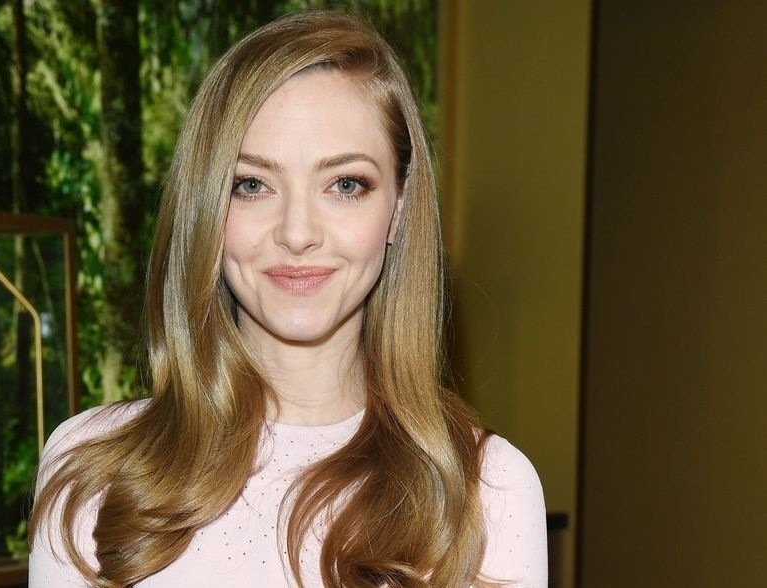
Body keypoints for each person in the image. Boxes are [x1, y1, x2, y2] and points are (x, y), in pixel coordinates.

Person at [29, 9, 546, 588]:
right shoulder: (91, 471)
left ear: (398, 209)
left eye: (345, 184)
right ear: (207, 209)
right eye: (252, 185)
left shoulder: (488, 491)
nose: (297, 232)